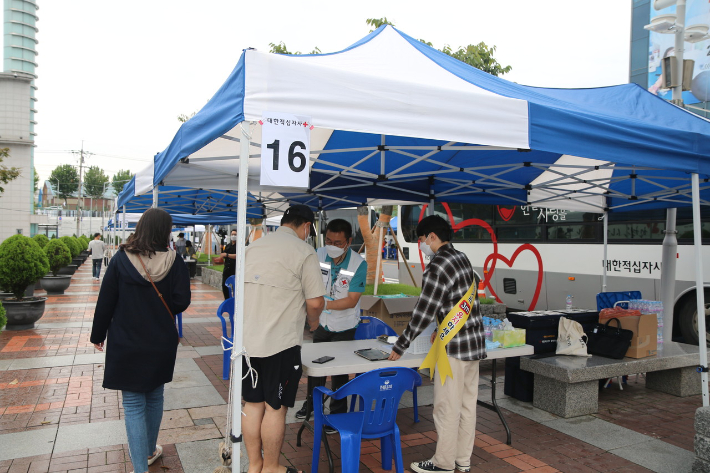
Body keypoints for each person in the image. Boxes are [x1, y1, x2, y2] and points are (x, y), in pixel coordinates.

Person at [90, 208, 191, 473]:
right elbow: (182, 301)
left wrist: (98, 335)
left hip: (126, 342)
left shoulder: (121, 259)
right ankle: (148, 451)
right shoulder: (174, 261)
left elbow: (106, 300)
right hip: (160, 341)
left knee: (133, 404)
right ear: (165, 230)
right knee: (155, 395)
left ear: (142, 227)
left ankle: (139, 468)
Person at [388, 215, 485, 473]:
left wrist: (401, 345)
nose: (421, 245)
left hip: (453, 349)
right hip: (474, 343)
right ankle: (462, 460)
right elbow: (461, 301)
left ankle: (443, 463)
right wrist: (441, 328)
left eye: (421, 239)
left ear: (432, 236)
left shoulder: (437, 266)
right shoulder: (462, 257)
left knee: (446, 408)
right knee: (467, 406)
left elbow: (423, 311)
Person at [242, 204, 325, 473]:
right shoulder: (304, 251)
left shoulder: (252, 248)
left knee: (252, 404)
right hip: (281, 343)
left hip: (247, 342)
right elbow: (315, 302)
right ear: (306, 226)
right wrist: (314, 322)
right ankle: (272, 467)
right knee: (275, 407)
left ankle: (255, 465)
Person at [295, 219, 367, 425]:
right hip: (322, 323)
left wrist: (322, 304)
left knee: (339, 371)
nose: (332, 246)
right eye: (328, 241)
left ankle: (337, 413)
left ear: (348, 242)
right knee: (316, 367)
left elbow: (351, 300)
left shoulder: (358, 264)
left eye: (337, 243)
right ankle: (311, 404)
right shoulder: (317, 255)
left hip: (345, 325)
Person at [220, 229, 237, 299]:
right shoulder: (228, 246)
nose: (233, 236)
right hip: (227, 269)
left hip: (235, 269)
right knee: (224, 286)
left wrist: (227, 255)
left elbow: (237, 256)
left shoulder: (239, 246)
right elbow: (223, 255)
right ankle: (227, 300)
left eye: (235, 234)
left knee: (235, 286)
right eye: (232, 234)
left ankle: (235, 300)